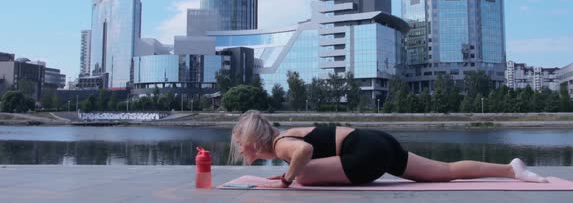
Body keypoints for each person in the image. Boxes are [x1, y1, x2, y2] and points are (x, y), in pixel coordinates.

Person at [229, 110, 549, 188]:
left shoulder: (283, 143)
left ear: (255, 142)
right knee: (445, 172)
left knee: (304, 177)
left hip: (365, 151)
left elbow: (302, 154)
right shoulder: (286, 136)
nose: (241, 150)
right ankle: (511, 168)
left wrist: (287, 179)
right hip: (376, 141)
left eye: (241, 145)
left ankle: (512, 168)